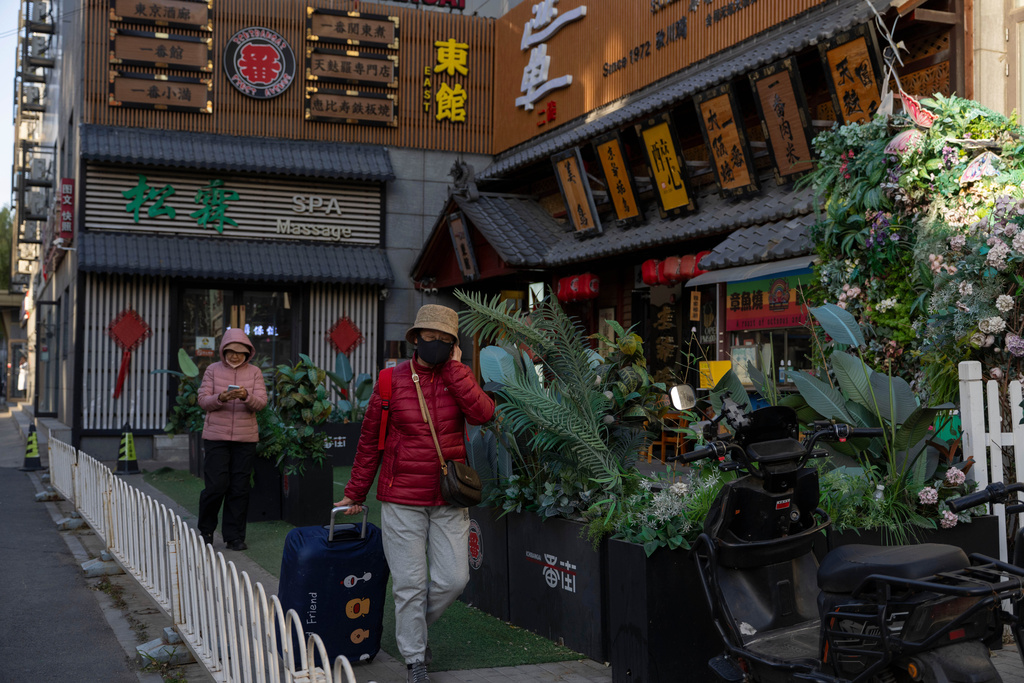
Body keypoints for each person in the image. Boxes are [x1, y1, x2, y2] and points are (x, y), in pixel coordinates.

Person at [336, 304, 495, 683]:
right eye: (430, 337)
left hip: (448, 496)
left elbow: (484, 414)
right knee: (409, 583)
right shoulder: (390, 381)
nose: (436, 344)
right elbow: (371, 441)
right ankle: (414, 659)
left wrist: (456, 368)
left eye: (444, 339)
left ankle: (412, 631)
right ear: (415, 338)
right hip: (401, 498)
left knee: (454, 579)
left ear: (454, 344)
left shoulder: (458, 376)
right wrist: (356, 491)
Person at [196, 329, 267, 551]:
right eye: (231, 351)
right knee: (216, 486)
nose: (235, 356)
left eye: (240, 352)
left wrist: (246, 396)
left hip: (245, 438)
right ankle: (206, 531)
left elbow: (262, 403)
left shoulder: (255, 372)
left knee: (239, 488)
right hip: (216, 437)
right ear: (223, 350)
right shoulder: (212, 370)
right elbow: (203, 400)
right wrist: (221, 398)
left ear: (248, 353)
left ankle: (234, 536)